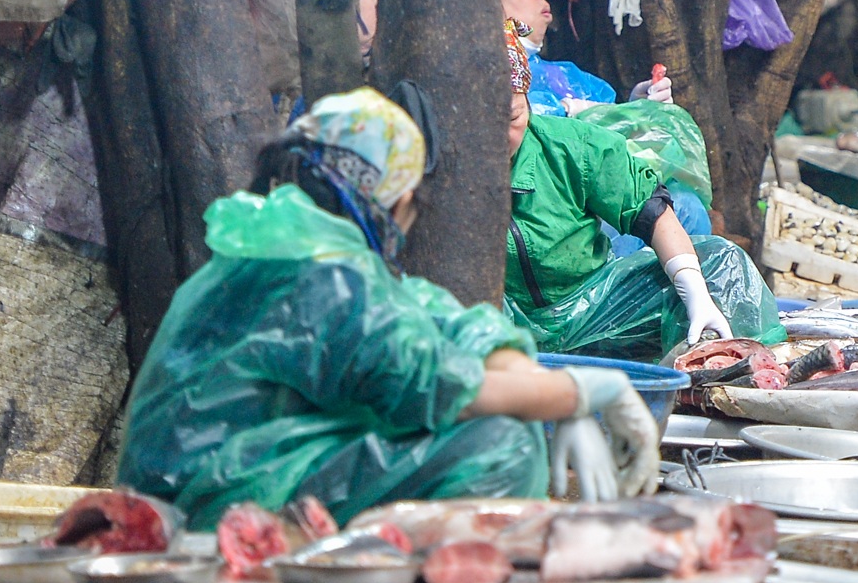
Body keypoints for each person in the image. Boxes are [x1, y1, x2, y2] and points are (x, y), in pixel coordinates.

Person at [116, 89, 661, 522]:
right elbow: (441, 386)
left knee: (504, 424)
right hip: (206, 508)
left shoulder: (293, 246)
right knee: (501, 444)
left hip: (221, 482)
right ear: (396, 200)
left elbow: (451, 324)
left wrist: (547, 394)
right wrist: (579, 392)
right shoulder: (320, 274)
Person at [501, 36, 766, 351]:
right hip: (497, 330)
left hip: (595, 312)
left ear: (528, 105)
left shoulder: (571, 147)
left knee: (723, 264)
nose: (499, 134)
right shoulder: (440, 169)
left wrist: (694, 292)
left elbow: (650, 210)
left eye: (513, 117)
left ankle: (734, 372)